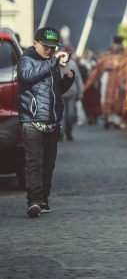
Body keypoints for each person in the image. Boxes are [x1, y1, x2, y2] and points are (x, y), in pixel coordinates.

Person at [17, 27, 75, 217]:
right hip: (31, 120)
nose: (50, 51)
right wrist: (53, 64)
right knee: (34, 163)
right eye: (46, 47)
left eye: (53, 47)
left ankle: (43, 199)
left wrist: (67, 81)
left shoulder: (51, 62)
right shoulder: (26, 59)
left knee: (49, 163)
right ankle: (33, 201)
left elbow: (55, 92)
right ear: (35, 44)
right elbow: (27, 76)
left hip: (52, 121)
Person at [83, 37, 125, 129]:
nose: (117, 46)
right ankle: (108, 118)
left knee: (118, 99)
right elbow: (97, 71)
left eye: (118, 44)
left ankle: (116, 120)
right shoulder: (105, 57)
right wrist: (90, 83)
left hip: (119, 80)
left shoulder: (125, 57)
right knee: (104, 99)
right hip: (106, 79)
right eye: (115, 44)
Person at [60, 49, 84, 141]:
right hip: (60, 94)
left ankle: (68, 131)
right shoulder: (56, 65)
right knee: (62, 114)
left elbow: (78, 79)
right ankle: (61, 134)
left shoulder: (73, 65)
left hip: (71, 93)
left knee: (70, 114)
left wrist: (80, 92)